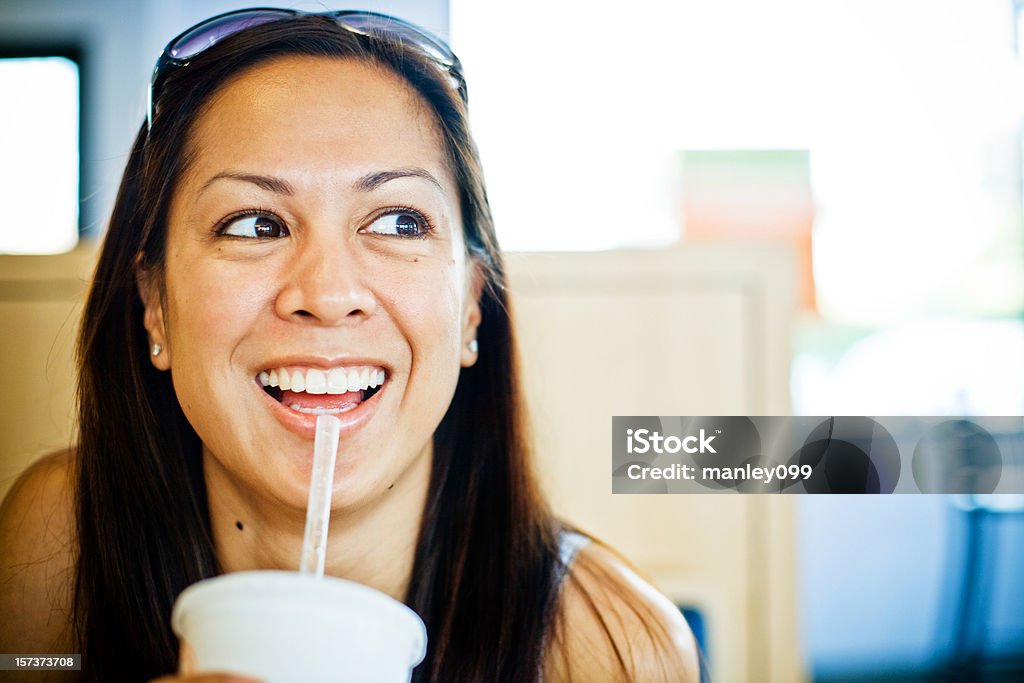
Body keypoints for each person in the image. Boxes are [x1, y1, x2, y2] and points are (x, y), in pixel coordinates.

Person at [0, 9, 700, 682]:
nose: (329, 293)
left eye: (398, 221)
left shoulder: (615, 648)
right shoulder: (58, 543)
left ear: (469, 306)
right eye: (254, 224)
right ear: (154, 304)